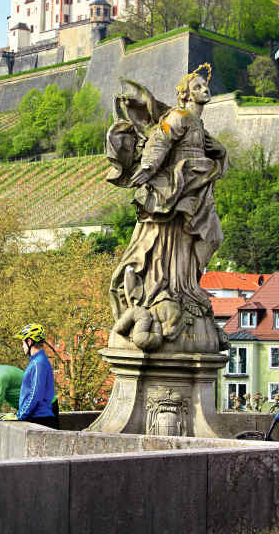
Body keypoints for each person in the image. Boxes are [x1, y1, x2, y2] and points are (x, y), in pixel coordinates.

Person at [106, 66, 229, 353]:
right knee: (167, 243)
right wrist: (148, 167)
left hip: (196, 187)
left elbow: (214, 149)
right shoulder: (178, 116)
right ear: (185, 95)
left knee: (210, 238)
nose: (204, 89)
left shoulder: (198, 125)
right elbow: (160, 141)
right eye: (197, 87)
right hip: (177, 187)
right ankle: (169, 289)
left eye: (204, 86)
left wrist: (219, 154)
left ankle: (187, 287)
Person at [9, 322, 58, 428]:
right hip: (39, 417)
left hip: (40, 418)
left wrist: (20, 415)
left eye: (23, 343)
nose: (22, 346)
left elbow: (35, 394)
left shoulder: (38, 363)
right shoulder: (37, 361)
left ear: (29, 341)